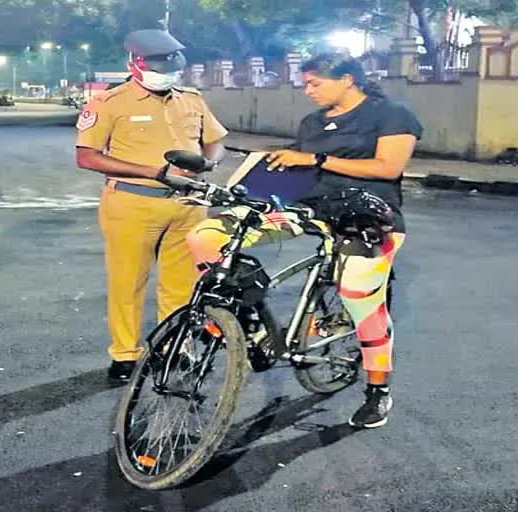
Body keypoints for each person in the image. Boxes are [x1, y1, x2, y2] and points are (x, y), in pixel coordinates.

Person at [186, 52, 423, 428]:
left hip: (368, 218)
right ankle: (250, 321)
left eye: (315, 83)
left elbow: (388, 167)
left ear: (347, 79)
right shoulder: (313, 122)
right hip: (308, 209)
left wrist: (314, 159)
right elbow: (302, 172)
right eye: (306, 83)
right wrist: (264, 182)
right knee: (207, 235)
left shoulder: (391, 114)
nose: (307, 90)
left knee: (361, 297)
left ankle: (378, 391)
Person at [75, 29, 228, 384]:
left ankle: (174, 346)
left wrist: (207, 163)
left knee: (182, 285)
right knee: (128, 283)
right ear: (135, 63)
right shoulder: (110, 103)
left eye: (172, 63)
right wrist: (156, 172)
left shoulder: (191, 98)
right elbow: (87, 157)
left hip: (188, 204)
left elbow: (216, 140)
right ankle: (125, 354)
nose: (168, 70)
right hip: (133, 203)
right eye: (157, 63)